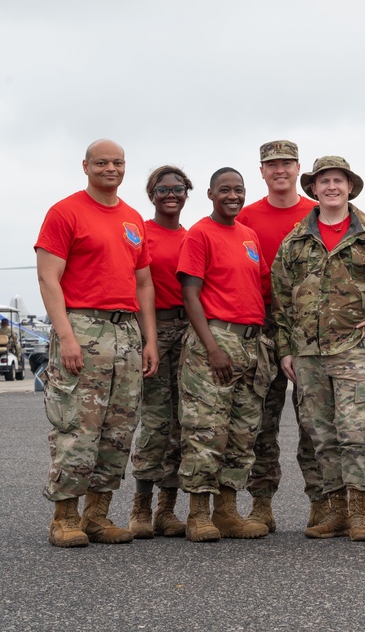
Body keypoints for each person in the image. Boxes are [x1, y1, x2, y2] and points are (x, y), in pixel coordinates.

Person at [35, 139, 159, 548]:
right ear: (85, 166)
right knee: (77, 426)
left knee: (119, 428)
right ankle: (64, 517)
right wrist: (66, 336)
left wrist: (149, 339)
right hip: (83, 327)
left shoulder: (132, 218)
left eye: (118, 162)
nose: (111, 169)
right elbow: (48, 278)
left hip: (126, 332)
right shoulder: (65, 212)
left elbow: (143, 283)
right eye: (102, 162)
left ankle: (97, 515)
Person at [272, 156, 365, 542]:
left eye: (338, 181)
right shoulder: (295, 241)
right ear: (313, 188)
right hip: (307, 353)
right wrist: (285, 349)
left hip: (353, 348)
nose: (331, 187)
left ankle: (359, 512)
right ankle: (336, 510)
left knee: (354, 432)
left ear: (350, 187)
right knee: (321, 435)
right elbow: (280, 298)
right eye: (324, 181)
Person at [176, 167, 273, 543]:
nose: (233, 196)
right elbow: (190, 295)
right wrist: (212, 348)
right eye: (225, 190)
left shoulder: (248, 235)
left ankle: (227, 511)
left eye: (239, 190)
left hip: (251, 344)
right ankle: (198, 514)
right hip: (215, 340)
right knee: (206, 430)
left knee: (242, 433)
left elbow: (259, 287)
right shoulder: (200, 233)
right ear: (211, 194)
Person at [236, 140, 320, 533]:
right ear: (262, 172)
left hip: (308, 325)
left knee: (314, 420)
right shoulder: (246, 217)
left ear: (298, 168)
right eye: (272, 165)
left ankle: (321, 503)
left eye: (287, 163)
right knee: (260, 420)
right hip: (262, 323)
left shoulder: (317, 213)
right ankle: (261, 503)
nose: (280, 170)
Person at [127, 166, 193, 539]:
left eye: (178, 188)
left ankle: (167, 511)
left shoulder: (192, 236)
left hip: (188, 333)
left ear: (187, 193)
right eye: (163, 189)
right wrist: (148, 339)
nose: (171, 195)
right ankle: (140, 508)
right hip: (153, 332)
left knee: (183, 423)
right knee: (155, 421)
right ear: (151, 194)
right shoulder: (141, 234)